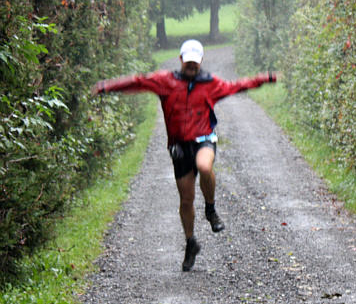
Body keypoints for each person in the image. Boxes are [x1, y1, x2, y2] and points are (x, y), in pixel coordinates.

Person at [91, 39, 277, 271]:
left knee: (205, 166)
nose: (191, 66)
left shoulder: (211, 84)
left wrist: (264, 79)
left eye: (195, 63)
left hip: (204, 139)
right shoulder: (164, 81)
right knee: (186, 200)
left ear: (201, 62)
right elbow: (137, 82)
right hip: (179, 146)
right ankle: (190, 243)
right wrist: (108, 86)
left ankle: (210, 209)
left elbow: (238, 85)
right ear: (181, 60)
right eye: (188, 62)